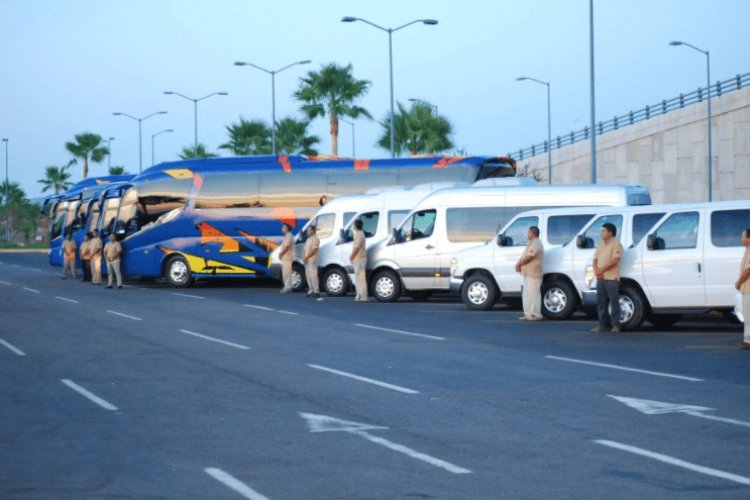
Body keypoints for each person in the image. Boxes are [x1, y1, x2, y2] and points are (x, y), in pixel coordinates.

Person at [591, 222, 623, 333]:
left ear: (610, 232)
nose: (601, 233)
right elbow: (595, 259)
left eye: (603, 231)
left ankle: (616, 325)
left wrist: (602, 269)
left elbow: (615, 260)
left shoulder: (616, 244)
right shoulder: (600, 245)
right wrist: (596, 270)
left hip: (611, 278)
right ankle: (602, 325)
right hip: (601, 278)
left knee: (614, 302)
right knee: (601, 303)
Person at [515, 226, 543, 320]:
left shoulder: (536, 243)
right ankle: (528, 314)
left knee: (533, 294)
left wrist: (519, 264)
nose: (527, 234)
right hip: (528, 273)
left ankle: (535, 314)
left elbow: (529, 257)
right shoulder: (531, 243)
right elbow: (525, 256)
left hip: (534, 273)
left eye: (528, 232)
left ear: (533, 233)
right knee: (527, 294)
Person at [735, 228, 750, 349]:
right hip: (746, 289)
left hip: (749, 289)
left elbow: (748, 270)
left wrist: (738, 282)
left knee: (749, 316)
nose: (741, 239)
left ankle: (748, 341)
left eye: (743, 236)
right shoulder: (747, 250)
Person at [350, 218, 368, 303]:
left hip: (359, 259)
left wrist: (351, 256)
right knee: (359, 278)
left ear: (356, 226)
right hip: (360, 258)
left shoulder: (359, 234)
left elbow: (357, 247)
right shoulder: (360, 233)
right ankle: (360, 295)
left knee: (360, 278)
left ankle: (362, 296)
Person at [303, 224, 321, 300]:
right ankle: (311, 290)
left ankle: (316, 291)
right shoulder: (308, 239)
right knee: (308, 276)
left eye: (309, 230)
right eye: (307, 230)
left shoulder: (315, 239)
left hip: (312, 260)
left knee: (313, 276)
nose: (308, 232)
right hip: (307, 260)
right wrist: (304, 257)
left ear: (313, 230)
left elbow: (314, 250)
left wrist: (307, 257)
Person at [278, 223, 294, 293]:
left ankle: (288, 287)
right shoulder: (287, 236)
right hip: (286, 257)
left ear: (287, 228)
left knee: (287, 273)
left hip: (287, 257)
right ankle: (287, 286)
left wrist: (281, 254)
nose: (282, 229)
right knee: (285, 272)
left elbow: (287, 246)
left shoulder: (289, 236)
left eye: (283, 227)